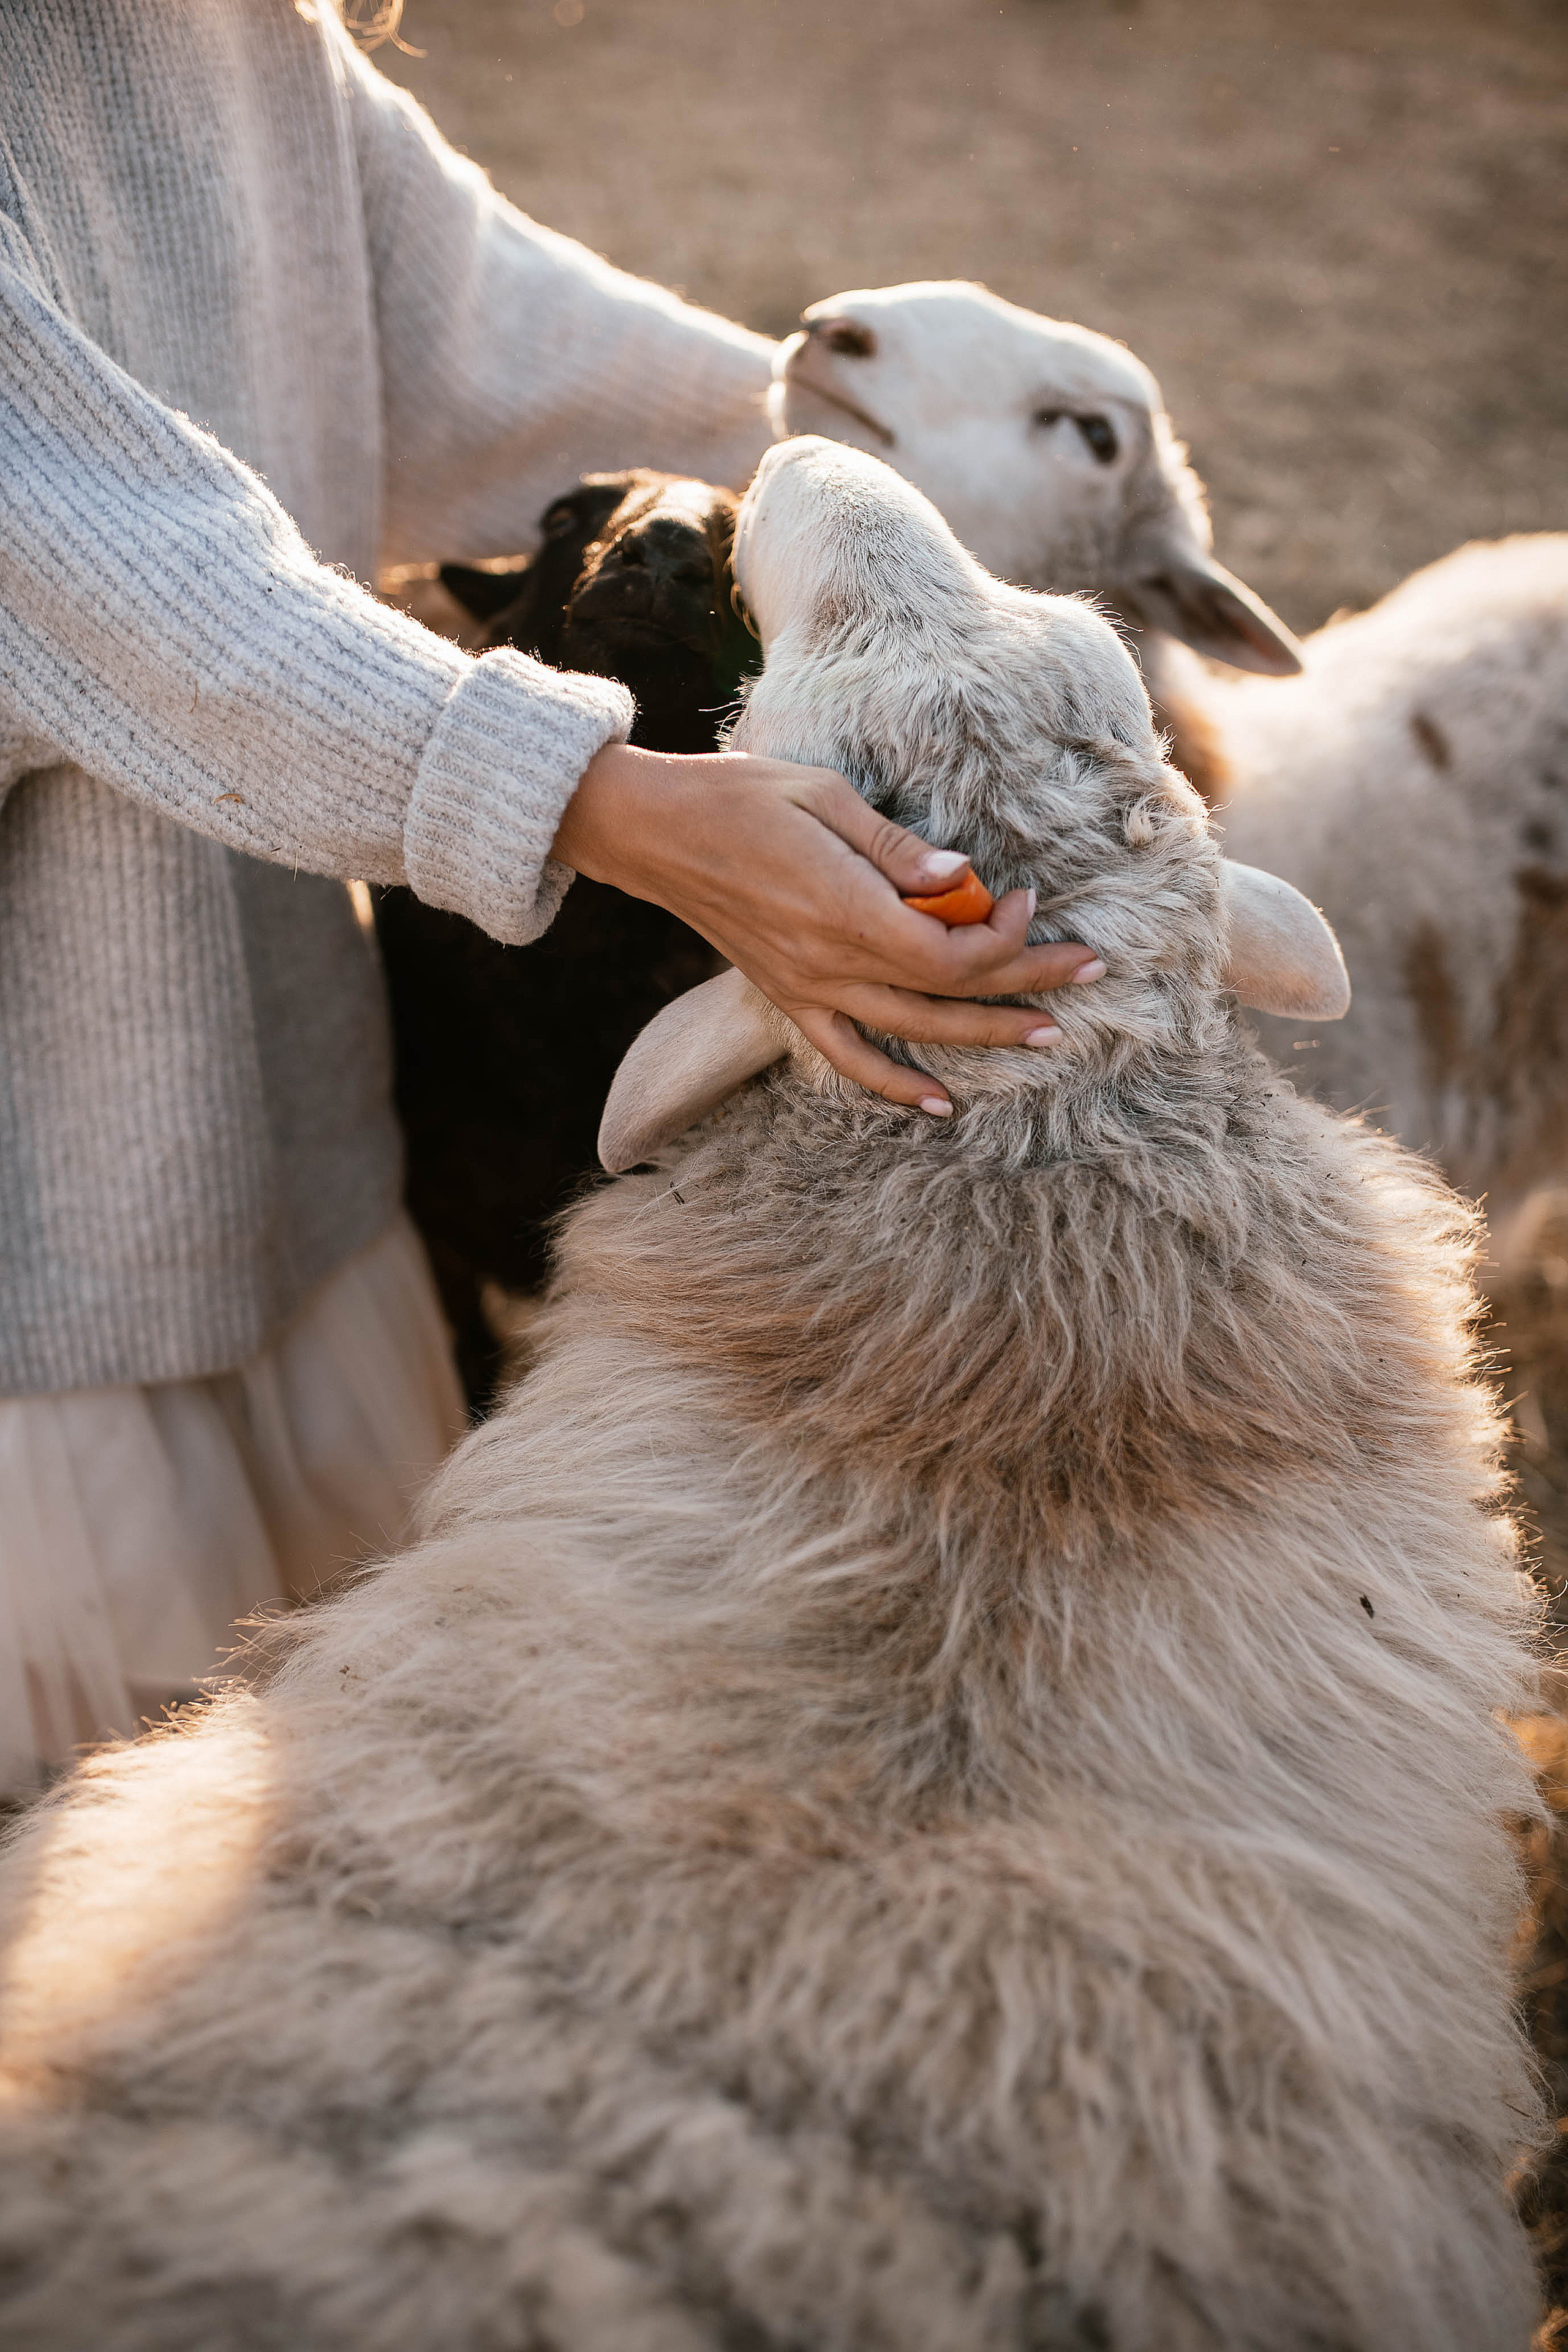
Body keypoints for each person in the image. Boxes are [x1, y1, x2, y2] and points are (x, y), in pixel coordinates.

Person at [0, 0, 1101, 1792]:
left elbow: (487, 346)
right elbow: (91, 569)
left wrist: (930, 490)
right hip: (39, 1256)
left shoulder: (228, 33)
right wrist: (604, 801)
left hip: (267, 1129)